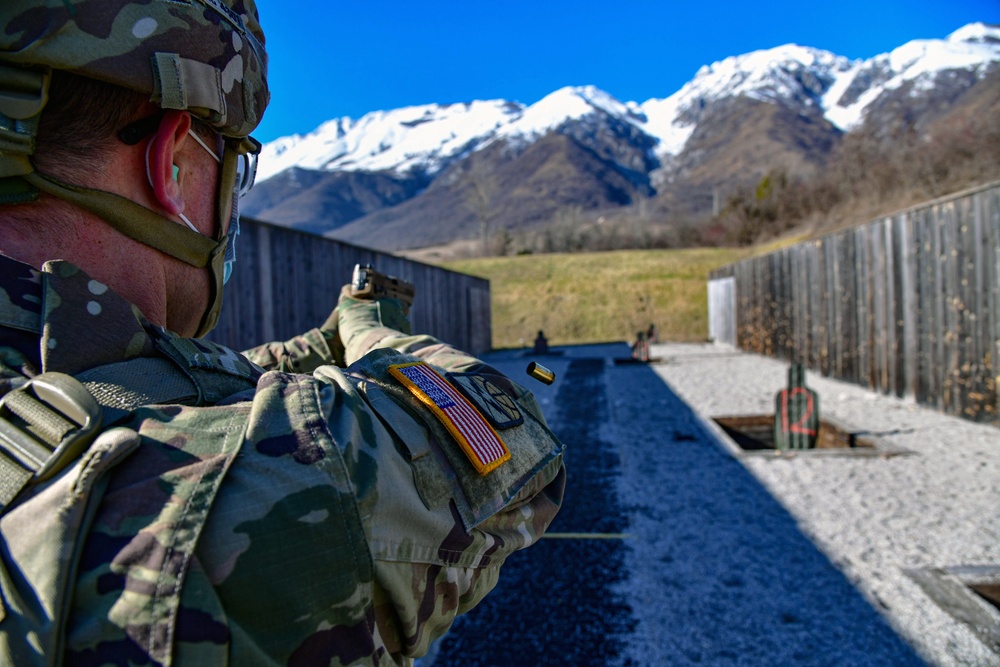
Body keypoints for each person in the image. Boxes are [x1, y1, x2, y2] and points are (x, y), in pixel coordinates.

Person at [0, 2, 565, 665]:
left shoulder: (52, 378)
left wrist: (321, 343)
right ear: (171, 163)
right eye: (230, 164)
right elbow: (517, 448)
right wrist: (375, 331)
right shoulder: (199, 497)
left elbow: (154, 380)